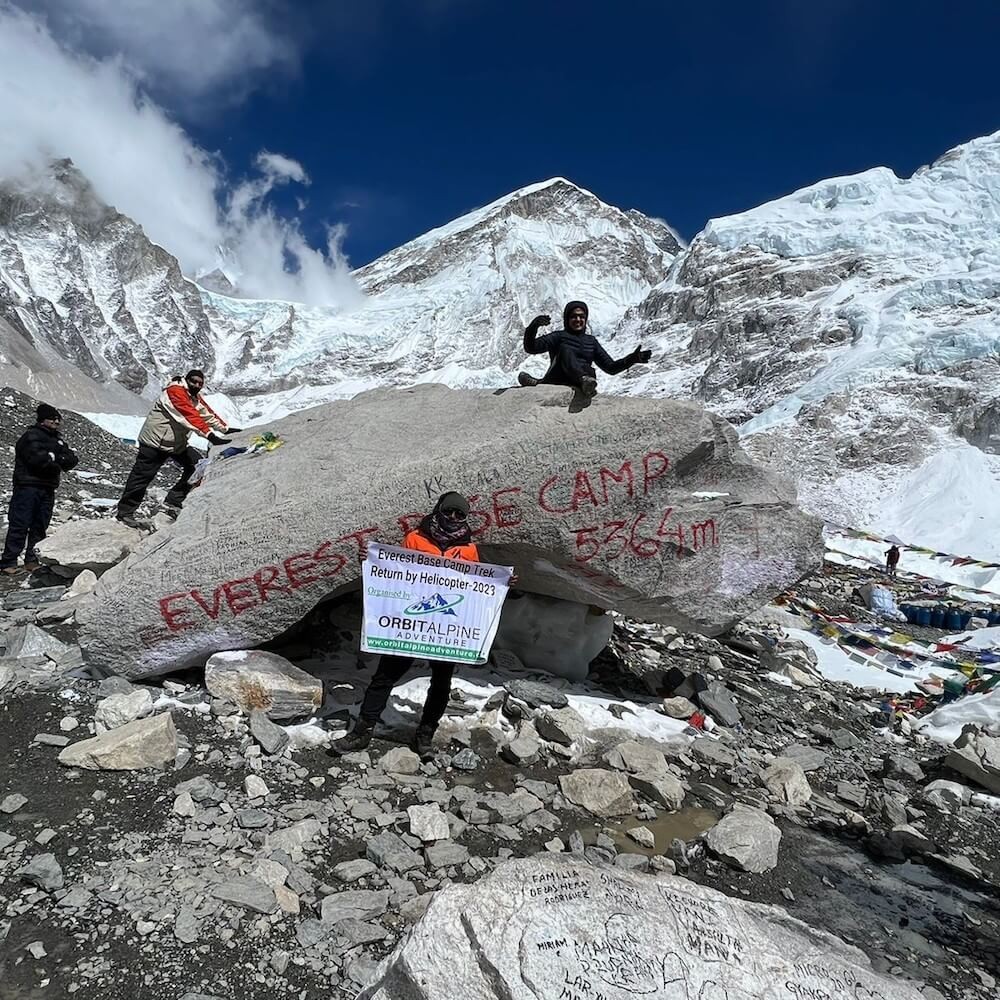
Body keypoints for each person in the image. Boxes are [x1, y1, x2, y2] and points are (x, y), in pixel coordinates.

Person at [331, 492, 492, 760]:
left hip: (445, 627)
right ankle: (362, 732)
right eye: (449, 511)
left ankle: (424, 736)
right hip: (411, 622)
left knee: (441, 683)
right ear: (439, 509)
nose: (453, 517)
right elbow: (397, 571)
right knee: (384, 677)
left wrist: (502, 583)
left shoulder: (469, 550)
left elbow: (474, 586)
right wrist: (371, 560)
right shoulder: (415, 538)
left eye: (459, 514)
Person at [115, 370, 240, 527]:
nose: (197, 385)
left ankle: (173, 502)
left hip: (176, 444)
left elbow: (206, 413)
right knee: (141, 477)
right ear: (186, 379)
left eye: (200, 383)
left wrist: (225, 429)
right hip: (155, 443)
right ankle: (125, 513)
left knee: (197, 465)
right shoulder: (174, 392)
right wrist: (210, 436)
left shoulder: (193, 397)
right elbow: (189, 415)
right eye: (194, 381)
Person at [1, 404, 78, 576]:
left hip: (47, 488)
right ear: (42, 419)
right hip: (27, 486)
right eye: (52, 418)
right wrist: (57, 459)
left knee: (40, 526)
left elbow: (72, 459)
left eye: (58, 419)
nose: (56, 422)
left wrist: (53, 458)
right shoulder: (31, 436)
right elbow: (39, 461)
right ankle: (8, 562)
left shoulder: (57, 439)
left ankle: (32, 561)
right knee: (20, 524)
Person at [517, 300, 652, 397]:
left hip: (585, 382)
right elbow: (531, 348)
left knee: (586, 369)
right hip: (559, 379)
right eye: (574, 316)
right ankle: (580, 380)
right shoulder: (558, 337)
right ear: (567, 319)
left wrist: (632, 359)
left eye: (581, 316)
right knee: (565, 350)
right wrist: (534, 326)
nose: (578, 319)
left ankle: (580, 382)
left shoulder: (591, 341)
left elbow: (610, 368)